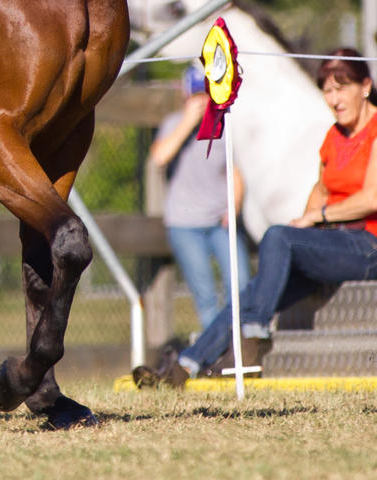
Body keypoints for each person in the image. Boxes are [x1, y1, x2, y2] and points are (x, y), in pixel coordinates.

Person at [134, 47, 377, 388]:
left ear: (365, 86)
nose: (334, 98)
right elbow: (320, 190)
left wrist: (315, 219)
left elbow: (371, 198)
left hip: (368, 246)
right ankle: (182, 367)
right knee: (250, 293)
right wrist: (305, 219)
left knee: (277, 237)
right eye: (327, 90)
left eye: (342, 88)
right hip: (335, 245)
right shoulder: (334, 137)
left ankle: (252, 336)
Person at [152, 64, 251, 330]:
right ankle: (214, 349)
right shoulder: (173, 124)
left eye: (204, 94)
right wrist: (188, 123)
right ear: (185, 96)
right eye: (195, 94)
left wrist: (234, 207)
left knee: (240, 284)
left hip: (220, 222)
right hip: (185, 225)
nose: (200, 101)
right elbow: (160, 156)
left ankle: (239, 342)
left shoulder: (224, 125)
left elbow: (236, 172)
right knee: (205, 295)